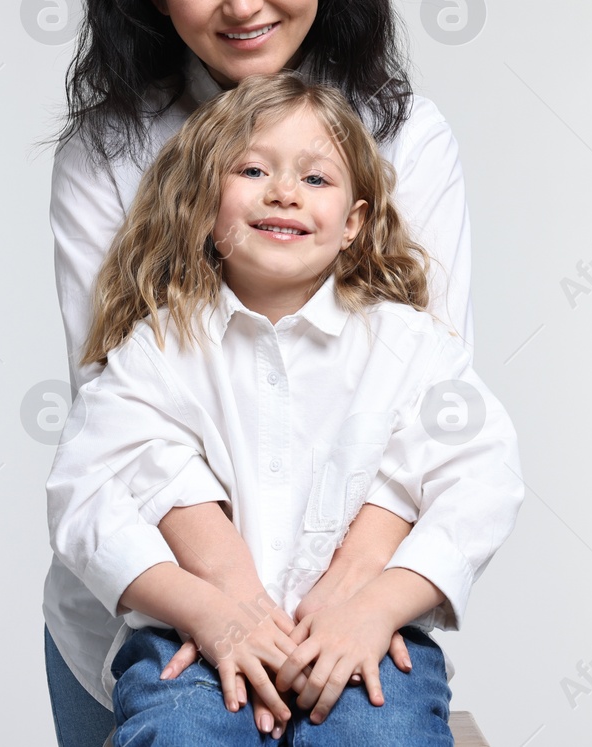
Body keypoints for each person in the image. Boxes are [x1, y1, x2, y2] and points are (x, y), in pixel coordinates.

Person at [41, 0, 480, 747]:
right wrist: (232, 610)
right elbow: (118, 428)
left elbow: (435, 413)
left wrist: (336, 609)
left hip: (352, 624)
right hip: (164, 617)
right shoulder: (112, 153)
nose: (242, 2)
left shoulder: (406, 135)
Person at [47, 72, 525, 743]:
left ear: (355, 223)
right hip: (191, 642)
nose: (284, 191)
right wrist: (206, 609)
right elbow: (84, 493)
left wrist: (381, 603)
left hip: (366, 635)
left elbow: (483, 478)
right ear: (203, 204)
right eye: (251, 168)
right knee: (181, 734)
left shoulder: (410, 345)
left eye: (317, 178)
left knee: (381, 737)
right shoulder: (157, 347)